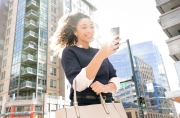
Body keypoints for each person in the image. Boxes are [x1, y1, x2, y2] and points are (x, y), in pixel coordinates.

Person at [50, 12, 121, 106]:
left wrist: (105, 88)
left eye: (91, 27)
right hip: (85, 105)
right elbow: (78, 85)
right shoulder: (69, 51)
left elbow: (115, 78)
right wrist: (100, 56)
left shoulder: (99, 51)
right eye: (84, 27)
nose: (89, 30)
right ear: (75, 32)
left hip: (108, 104)